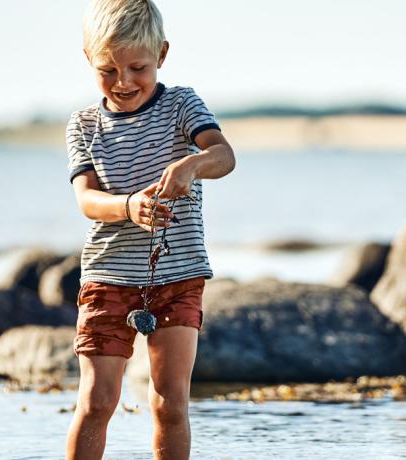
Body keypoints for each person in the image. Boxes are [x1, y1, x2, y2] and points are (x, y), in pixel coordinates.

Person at [64, 0, 236, 458]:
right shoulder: (84, 126)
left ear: (161, 54)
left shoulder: (182, 104)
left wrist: (193, 165)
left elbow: (224, 156)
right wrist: (127, 206)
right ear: (87, 58)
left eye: (137, 67)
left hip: (178, 278)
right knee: (98, 401)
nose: (123, 82)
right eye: (108, 70)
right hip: (108, 277)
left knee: (169, 403)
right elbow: (87, 200)